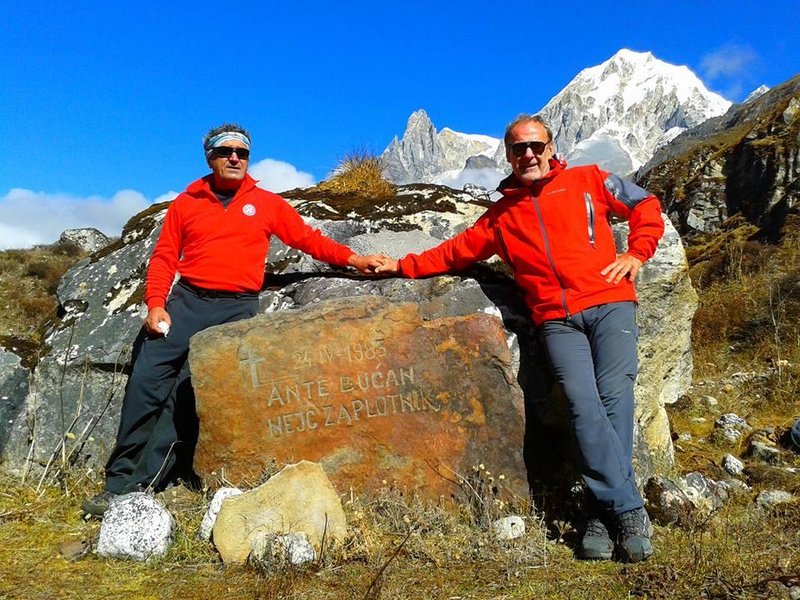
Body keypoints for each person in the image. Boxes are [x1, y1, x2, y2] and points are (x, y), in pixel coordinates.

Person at [375, 114, 665, 562]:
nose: (527, 154)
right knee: (582, 408)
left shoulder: (590, 179)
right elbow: (452, 252)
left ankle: (597, 512)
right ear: (508, 156)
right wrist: (399, 265)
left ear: (550, 148)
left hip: (611, 305)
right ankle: (625, 508)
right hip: (556, 320)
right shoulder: (501, 215)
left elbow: (646, 205)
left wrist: (635, 253)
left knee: (615, 402)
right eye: (517, 149)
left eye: (535, 146)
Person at [83, 123, 386, 516]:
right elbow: (163, 258)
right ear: (209, 157)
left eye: (242, 153)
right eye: (225, 152)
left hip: (237, 310)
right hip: (186, 303)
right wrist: (155, 303)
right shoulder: (186, 202)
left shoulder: (267, 203)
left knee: (187, 395)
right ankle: (117, 481)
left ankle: (139, 488)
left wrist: (355, 259)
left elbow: (308, 239)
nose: (234, 158)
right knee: (145, 384)